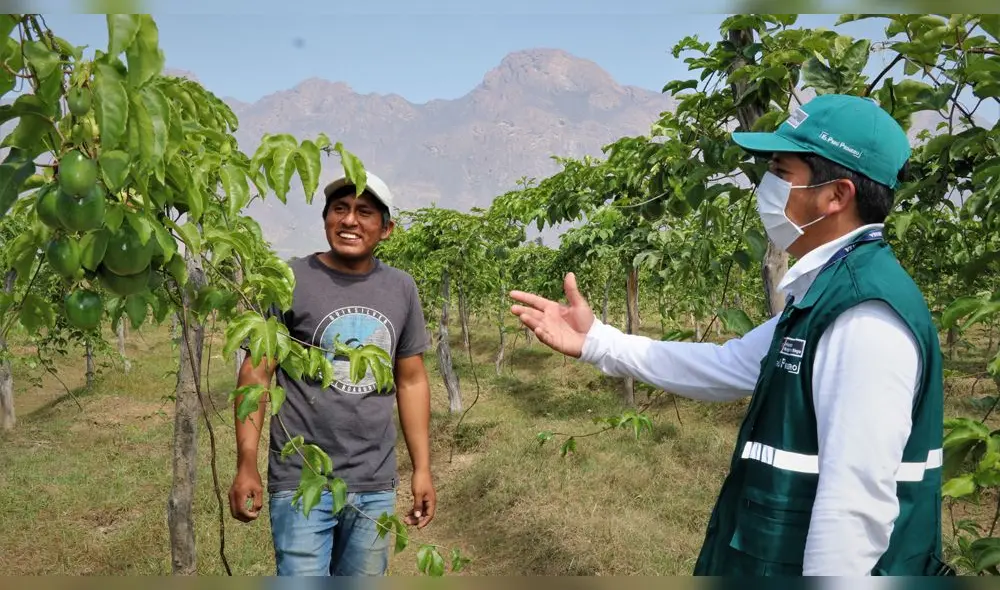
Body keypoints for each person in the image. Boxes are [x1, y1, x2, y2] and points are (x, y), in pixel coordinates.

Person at [510, 94, 952, 576]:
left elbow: (854, 510)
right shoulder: (826, 293)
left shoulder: (864, 314)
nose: (768, 188)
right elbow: (729, 365)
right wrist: (598, 341)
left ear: (837, 195)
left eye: (783, 173)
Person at [228, 170, 435, 576]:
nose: (350, 221)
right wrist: (246, 462)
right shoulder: (288, 279)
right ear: (325, 219)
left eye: (364, 212)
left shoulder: (401, 288)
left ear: (387, 229)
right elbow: (256, 376)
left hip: (373, 482)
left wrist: (422, 468)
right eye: (340, 209)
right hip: (299, 480)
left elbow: (411, 380)